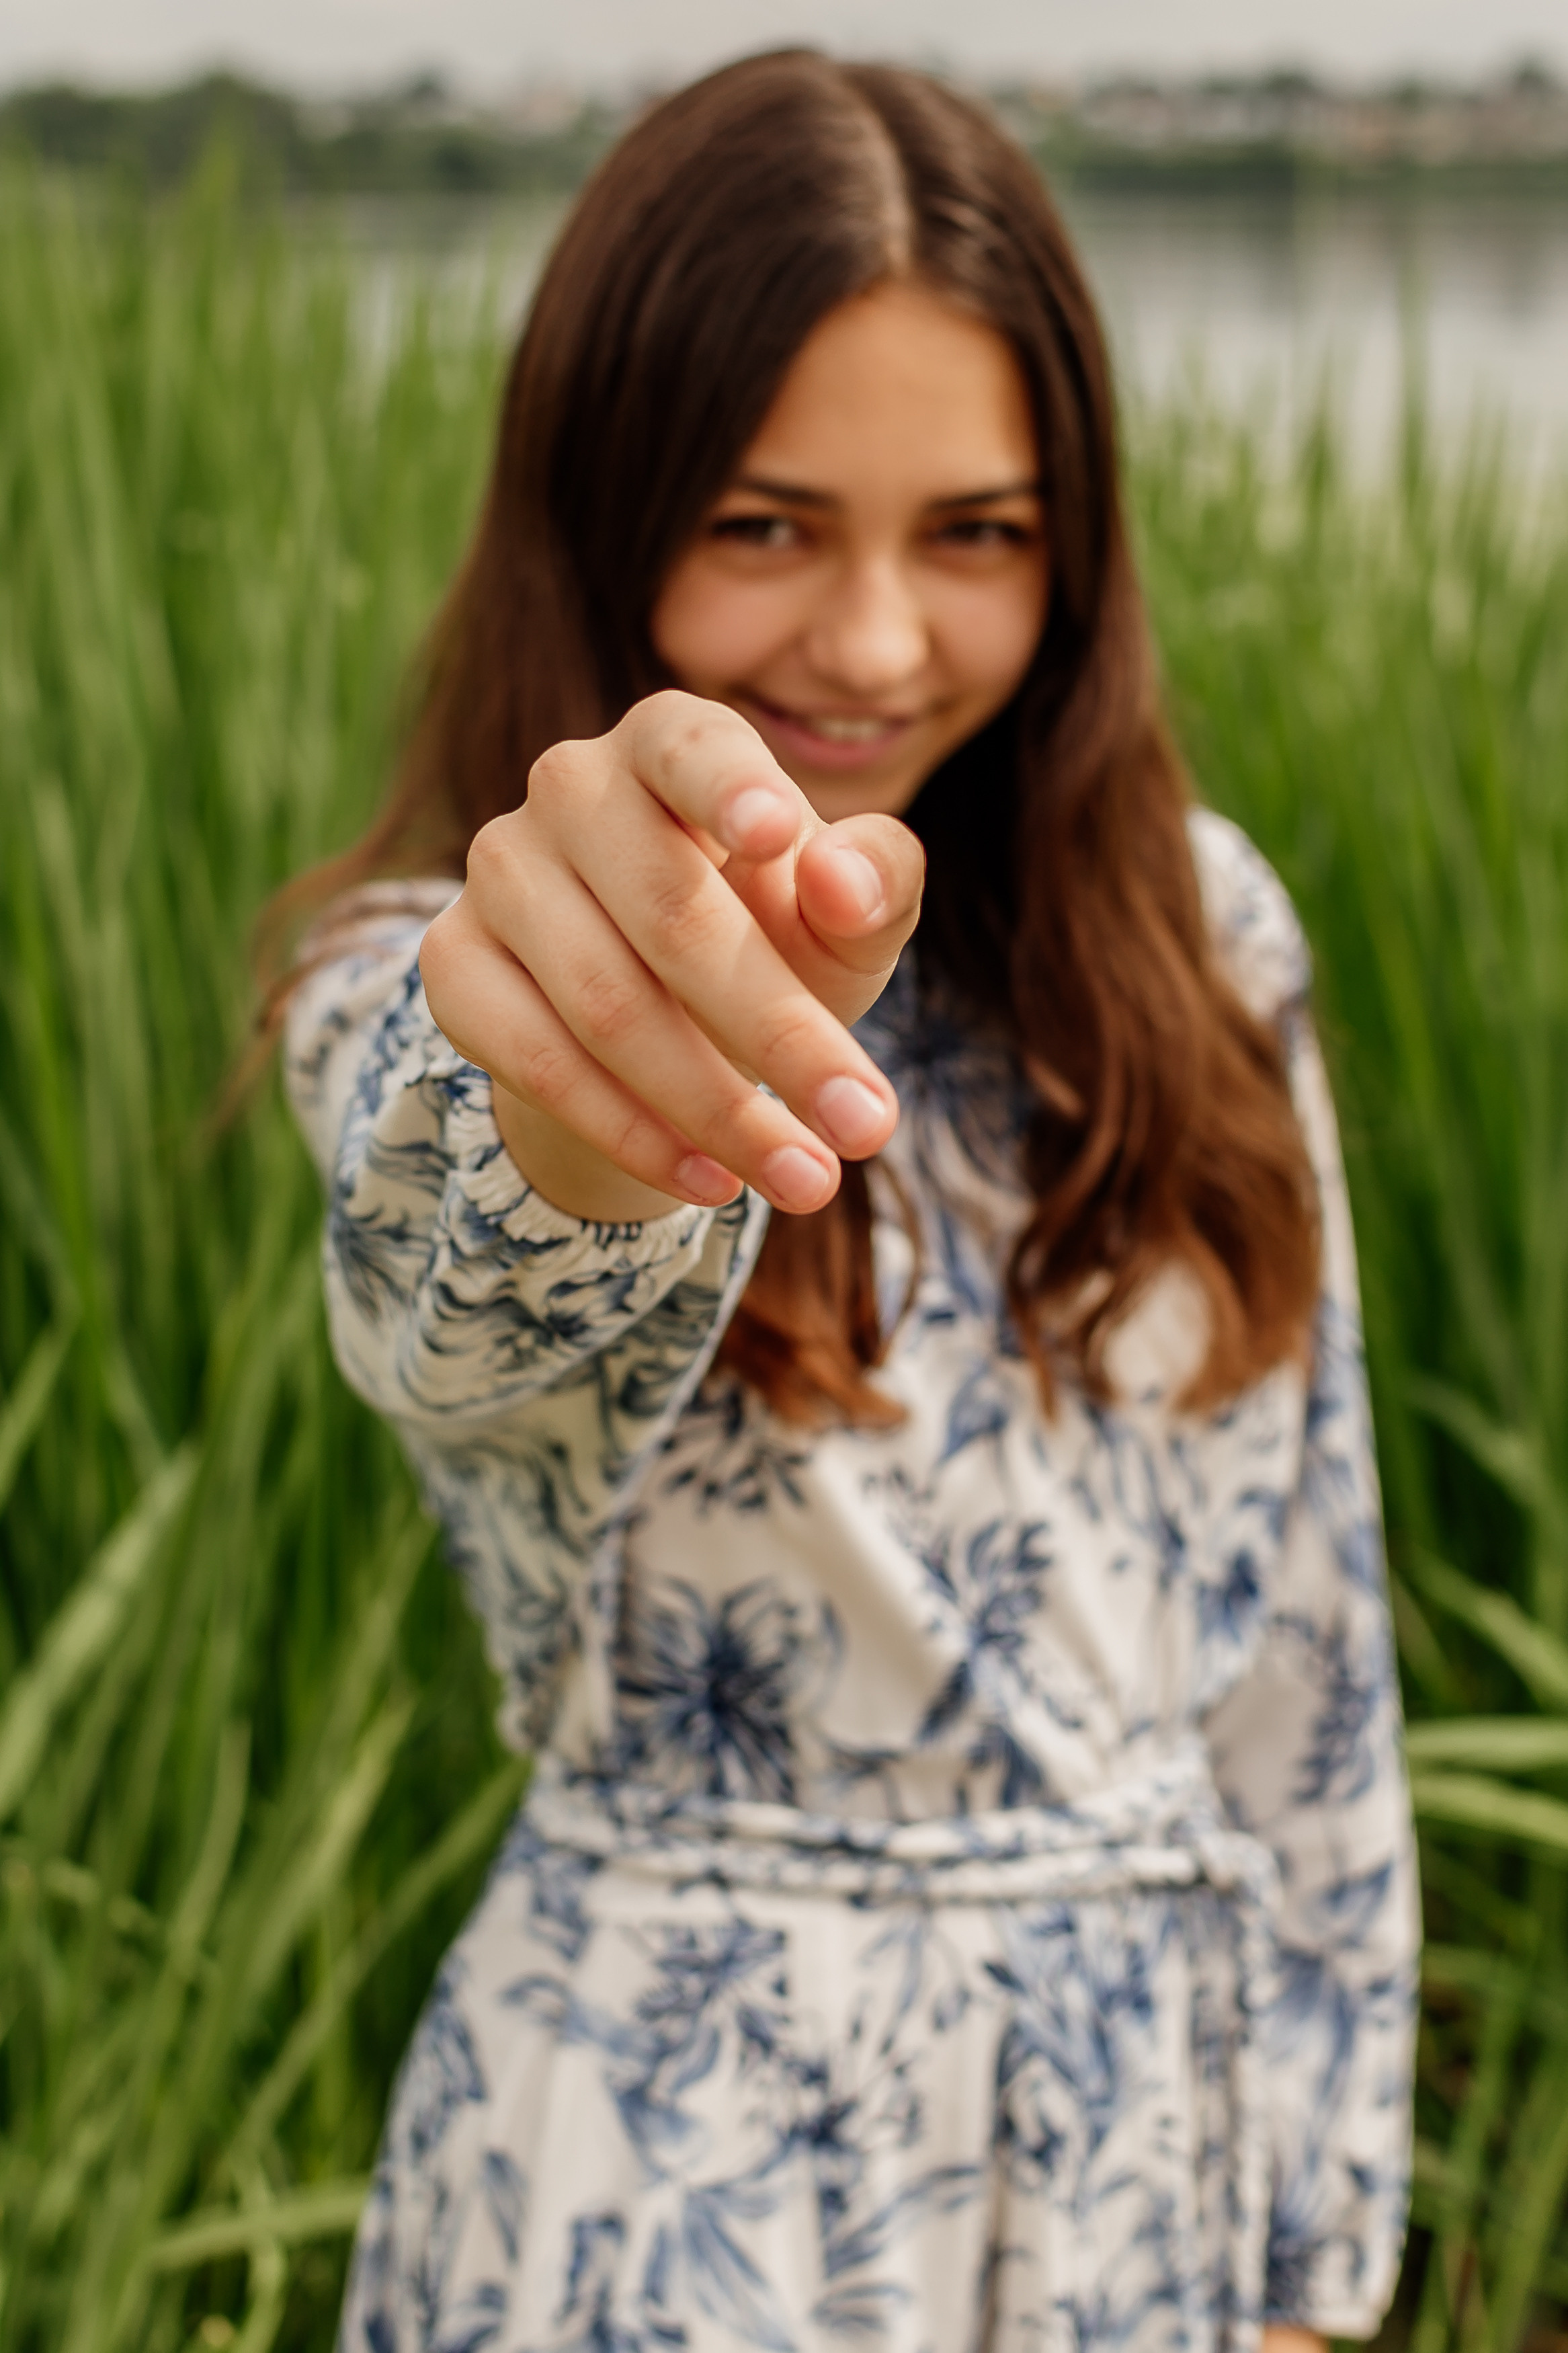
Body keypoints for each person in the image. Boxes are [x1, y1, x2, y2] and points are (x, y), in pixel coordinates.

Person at [279, 50, 1419, 2353]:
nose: (879, 646)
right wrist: (577, 1072)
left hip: (1148, 2178)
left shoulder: (1207, 946)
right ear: (604, 515)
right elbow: (478, 1271)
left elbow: (1312, 1635)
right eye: (767, 524)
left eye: (976, 533)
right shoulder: (427, 977)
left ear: (1071, 556)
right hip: (676, 2185)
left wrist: (1314, 2262)